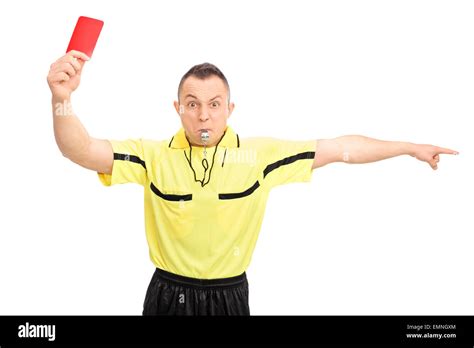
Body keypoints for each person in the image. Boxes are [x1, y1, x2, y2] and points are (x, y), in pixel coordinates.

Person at [47, 50, 459, 315]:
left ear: (229, 108)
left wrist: (409, 147)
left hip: (230, 296)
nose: (203, 116)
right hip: (168, 295)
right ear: (178, 108)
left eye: (213, 105)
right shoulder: (152, 156)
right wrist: (61, 97)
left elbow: (340, 148)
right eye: (192, 105)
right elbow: (79, 150)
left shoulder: (257, 157)